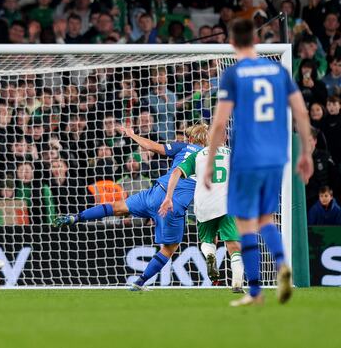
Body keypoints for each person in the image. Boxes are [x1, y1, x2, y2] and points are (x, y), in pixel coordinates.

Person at [205, 18, 313, 307]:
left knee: (245, 224)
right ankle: (282, 265)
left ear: (231, 43)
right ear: (255, 40)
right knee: (266, 219)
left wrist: (210, 161)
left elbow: (218, 124)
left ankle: (255, 292)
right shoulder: (278, 70)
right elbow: (301, 113)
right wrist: (305, 153)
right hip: (277, 157)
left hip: (247, 159)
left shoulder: (234, 74)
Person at [53, 123, 208, 291]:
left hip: (155, 192)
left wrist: (132, 135)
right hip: (172, 203)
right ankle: (139, 282)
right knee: (170, 248)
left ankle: (75, 217)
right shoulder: (209, 157)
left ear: (191, 139)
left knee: (117, 207)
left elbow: (151, 146)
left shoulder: (183, 147)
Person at [161, 145, 245, 293]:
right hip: (226, 203)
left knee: (207, 241)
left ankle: (210, 255)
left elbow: (176, 172)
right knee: (233, 245)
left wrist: (168, 197)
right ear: (224, 138)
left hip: (204, 204)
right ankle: (237, 283)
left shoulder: (198, 155)